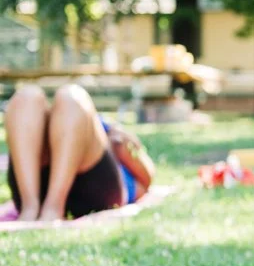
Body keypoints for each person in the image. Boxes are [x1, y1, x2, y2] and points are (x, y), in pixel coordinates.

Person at [4, 84, 153, 221]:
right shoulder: (108, 132)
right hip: (81, 183)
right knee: (28, 96)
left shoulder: (117, 143)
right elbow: (147, 179)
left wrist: (126, 149)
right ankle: (39, 208)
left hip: (92, 187)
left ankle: (37, 209)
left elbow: (146, 180)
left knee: (70, 97)